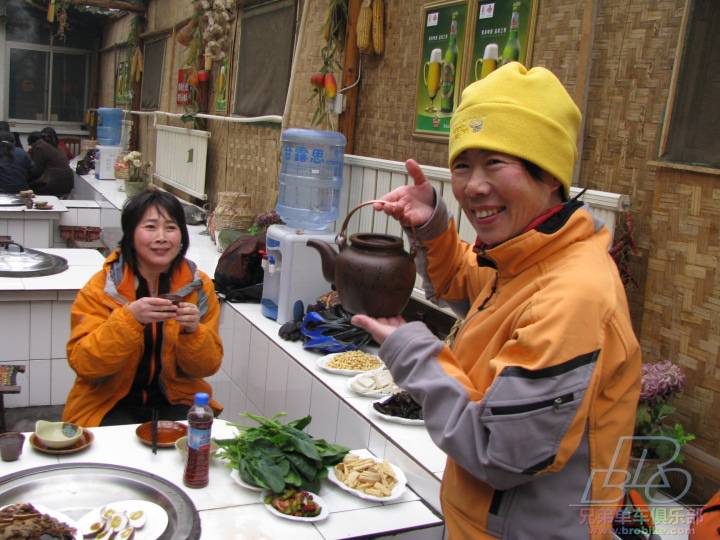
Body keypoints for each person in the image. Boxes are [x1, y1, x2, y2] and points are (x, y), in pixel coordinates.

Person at [352, 63, 642, 539]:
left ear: (549, 175)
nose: (473, 186)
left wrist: (412, 351)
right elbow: (474, 289)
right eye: (463, 164)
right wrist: (432, 227)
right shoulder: (527, 255)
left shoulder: (575, 296)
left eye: (495, 163)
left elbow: (499, 453)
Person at [63, 189, 224, 427]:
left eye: (170, 228)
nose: (162, 237)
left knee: (194, 449)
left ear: (182, 236)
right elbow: (85, 365)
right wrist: (129, 319)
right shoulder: (103, 288)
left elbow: (208, 366)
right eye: (150, 227)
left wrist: (193, 332)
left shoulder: (198, 287)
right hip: (108, 402)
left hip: (176, 399)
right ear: (130, 234)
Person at [27, 131, 74, 196]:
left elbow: (37, 171)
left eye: (30, 145)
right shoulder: (55, 146)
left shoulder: (39, 147)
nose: (31, 147)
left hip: (53, 183)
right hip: (68, 183)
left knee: (25, 186)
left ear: (33, 142)